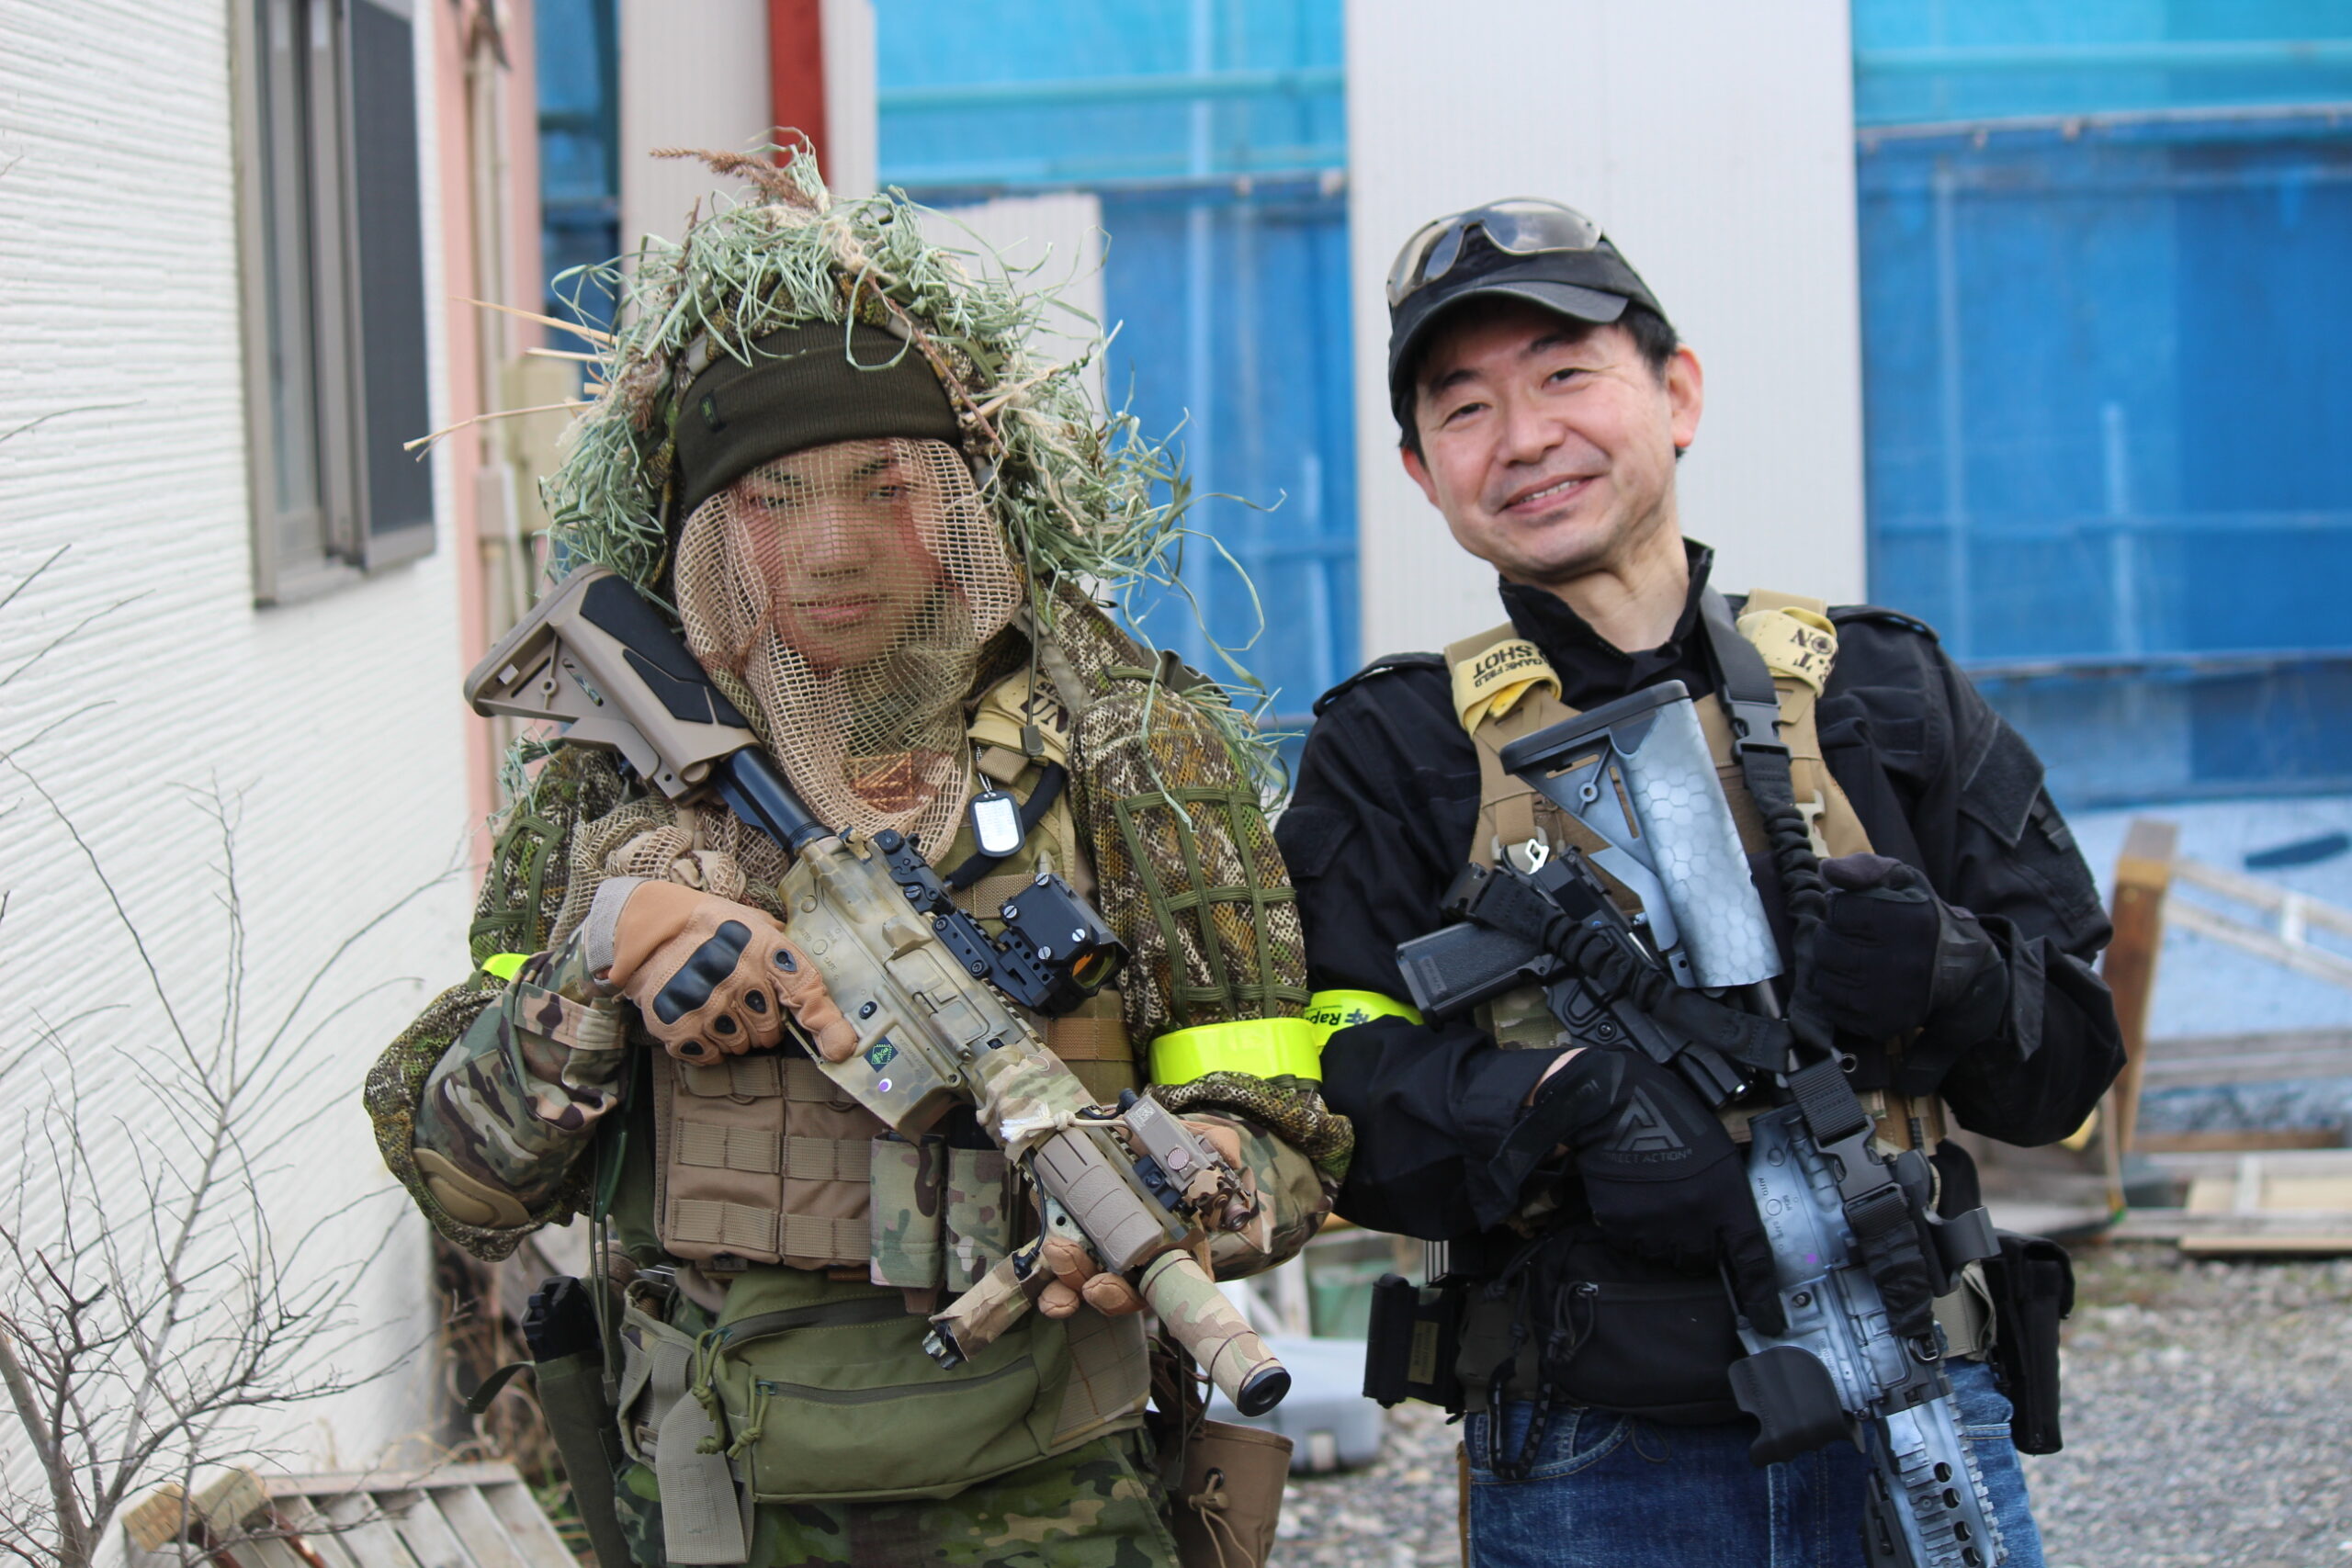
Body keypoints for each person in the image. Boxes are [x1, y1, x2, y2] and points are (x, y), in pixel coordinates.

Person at [367, 152, 1349, 1568]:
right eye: (773, 503)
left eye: (884, 487)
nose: (831, 549)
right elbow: (466, 1182)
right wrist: (600, 964)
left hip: (1061, 1503)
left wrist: (1193, 1182)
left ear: (964, 503)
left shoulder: (1134, 744)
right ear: (705, 537)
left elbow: (1288, 1127)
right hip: (718, 1498)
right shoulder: (610, 783)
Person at [1275, 199, 2126, 1565]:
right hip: (1596, 1453)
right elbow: (1326, 1081)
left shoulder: (1884, 691)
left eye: (1565, 374)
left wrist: (1956, 974)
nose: (1525, 437)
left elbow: (2069, 1066)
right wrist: (1553, 1107)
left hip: (1918, 1400)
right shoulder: (1394, 746)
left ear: (1677, 394)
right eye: (1467, 408)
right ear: (1423, 473)